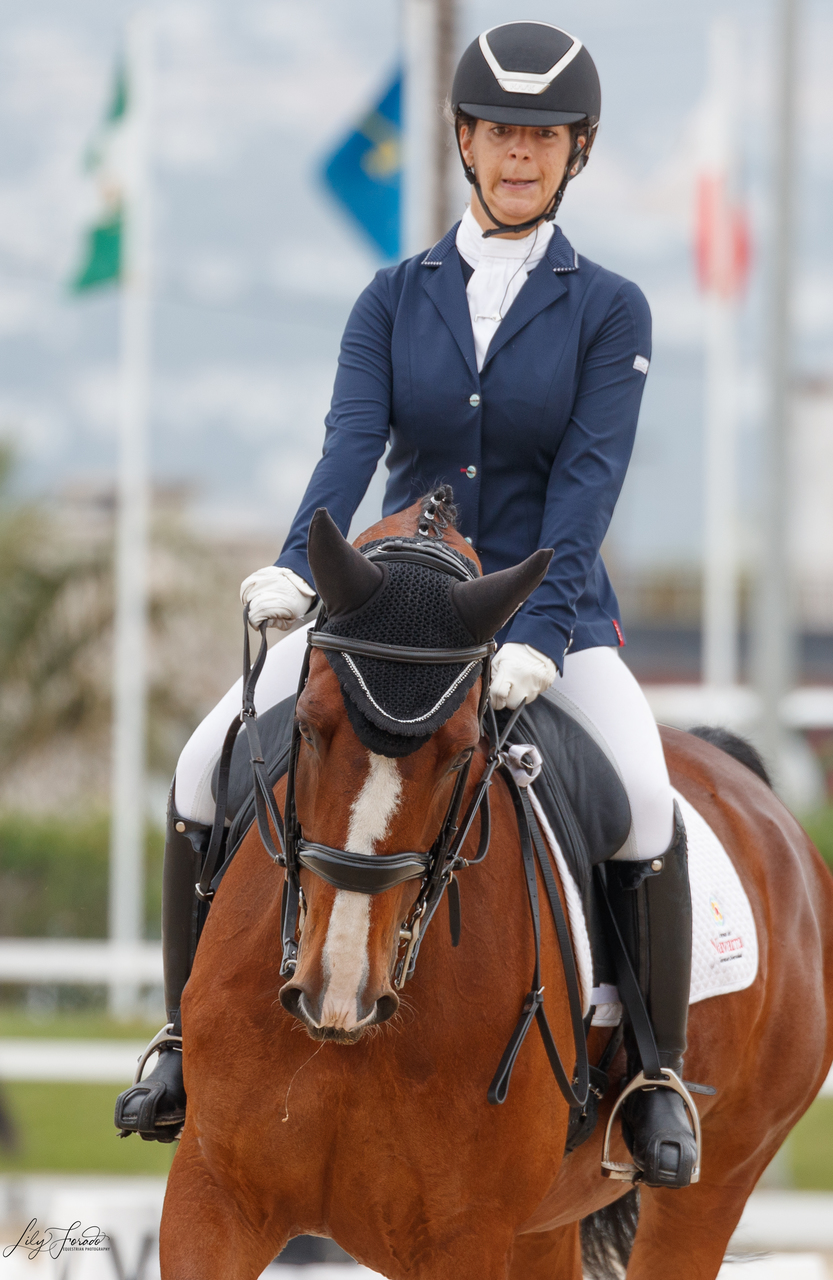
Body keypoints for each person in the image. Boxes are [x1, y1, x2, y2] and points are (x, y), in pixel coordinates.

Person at [115, 20, 696, 1189]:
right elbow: (349, 448)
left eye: (540, 137)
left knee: (642, 798)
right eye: (497, 132)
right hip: (386, 611)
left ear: (574, 152)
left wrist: (536, 631)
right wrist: (295, 566)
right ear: (466, 142)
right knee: (196, 765)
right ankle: (184, 1043)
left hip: (544, 615)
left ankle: (652, 1075)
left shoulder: (611, 310)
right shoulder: (393, 296)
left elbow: (588, 487)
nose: (516, 155)